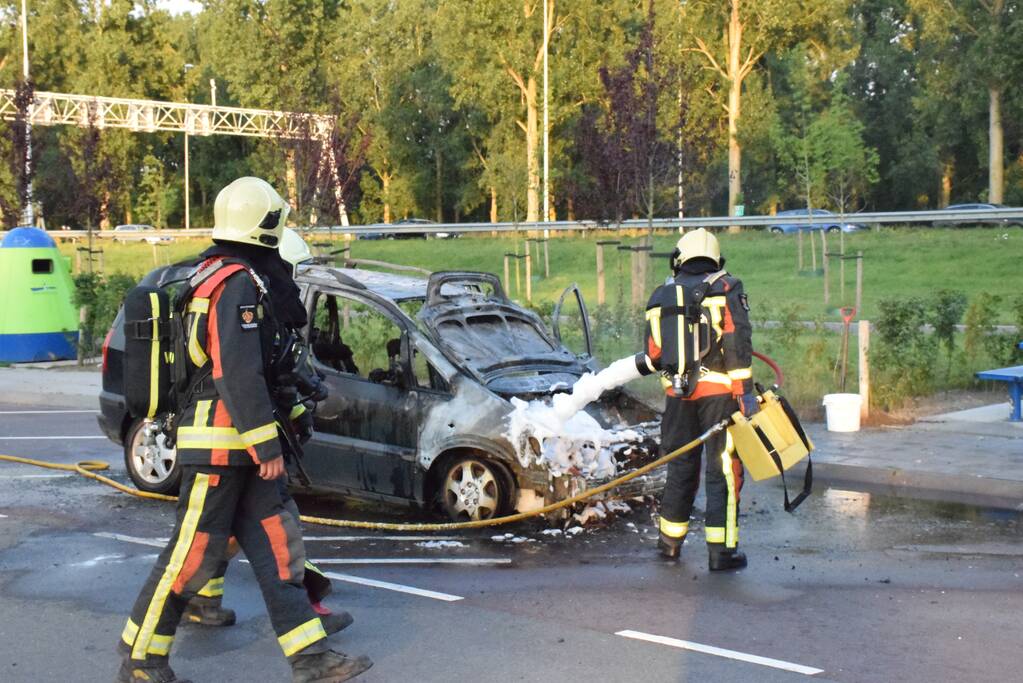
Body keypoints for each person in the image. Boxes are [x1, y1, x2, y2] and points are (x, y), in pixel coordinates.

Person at [116, 177, 371, 683]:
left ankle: (311, 658)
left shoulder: (218, 275)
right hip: (221, 446)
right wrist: (264, 441)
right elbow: (236, 369)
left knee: (279, 546)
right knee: (191, 555)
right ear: (266, 224)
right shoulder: (235, 284)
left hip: (238, 448)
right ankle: (140, 658)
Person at [181, 227, 342, 628]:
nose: (295, 281)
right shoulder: (248, 303)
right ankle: (306, 615)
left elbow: (279, 380)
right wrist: (270, 443)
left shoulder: (269, 311)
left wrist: (299, 415)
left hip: (247, 442)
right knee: (271, 529)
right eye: (292, 270)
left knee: (229, 533)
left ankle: (203, 599)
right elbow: (251, 378)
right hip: (240, 443)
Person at [634, 228, 758, 572]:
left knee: (681, 467)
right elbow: (737, 343)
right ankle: (722, 552)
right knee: (724, 470)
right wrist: (744, 392)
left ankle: (670, 543)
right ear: (716, 259)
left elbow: (654, 352)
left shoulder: (661, 295)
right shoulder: (727, 287)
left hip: (677, 395)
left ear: (680, 259)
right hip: (719, 396)